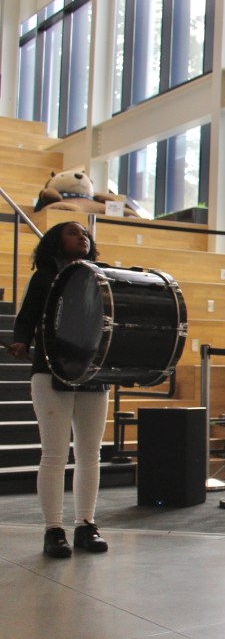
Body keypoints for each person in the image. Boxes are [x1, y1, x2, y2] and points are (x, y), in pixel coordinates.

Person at [7, 222, 110, 558]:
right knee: (54, 455)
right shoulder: (44, 276)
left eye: (85, 233)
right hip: (50, 372)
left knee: (89, 454)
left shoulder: (99, 276)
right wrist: (21, 340)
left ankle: (86, 525)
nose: (83, 236)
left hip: (92, 372)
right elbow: (25, 318)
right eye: (72, 232)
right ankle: (54, 530)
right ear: (55, 241)